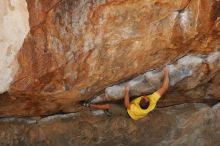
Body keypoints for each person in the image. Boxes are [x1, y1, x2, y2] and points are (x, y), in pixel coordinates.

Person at [83, 67, 169, 120]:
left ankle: (91, 106)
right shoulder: (153, 100)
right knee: (116, 106)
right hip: (137, 113)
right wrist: (166, 73)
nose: (144, 96)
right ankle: (110, 112)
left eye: (143, 98)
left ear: (139, 104)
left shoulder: (135, 108)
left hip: (129, 113)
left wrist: (127, 91)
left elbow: (127, 104)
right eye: (145, 97)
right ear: (148, 102)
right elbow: (164, 87)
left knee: (109, 106)